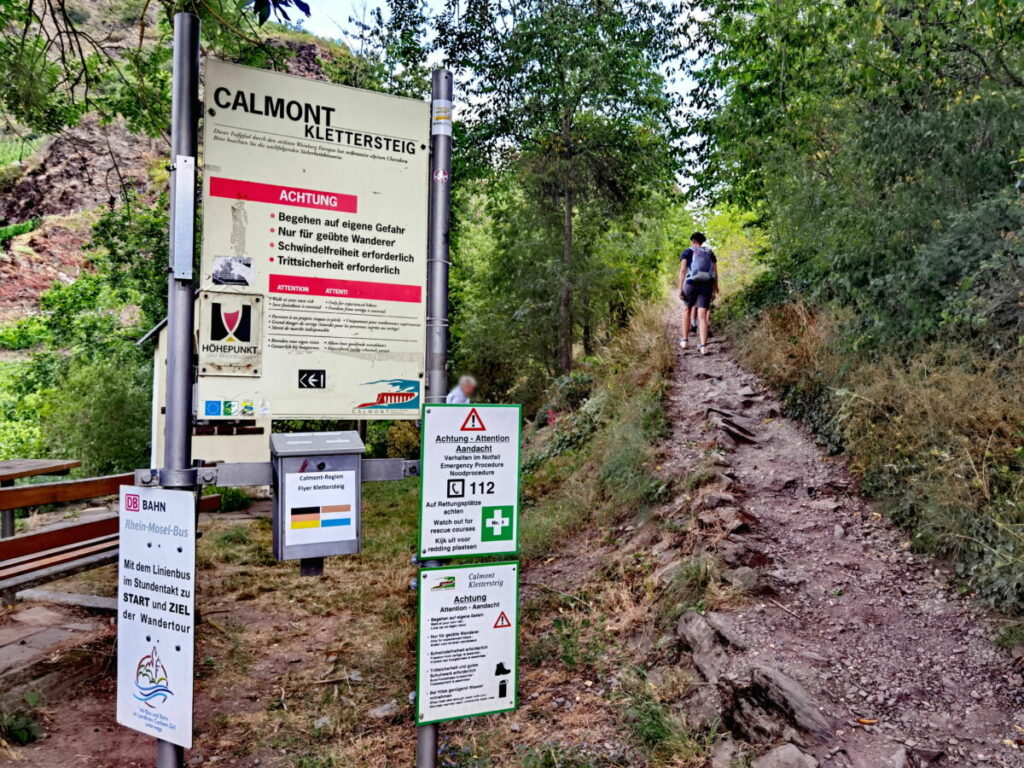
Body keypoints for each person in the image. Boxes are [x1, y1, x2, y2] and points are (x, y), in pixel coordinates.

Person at [678, 231, 718, 356]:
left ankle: (685, 341)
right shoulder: (710, 253)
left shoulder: (687, 251)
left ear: (693, 240)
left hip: (691, 283)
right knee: (702, 316)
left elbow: (683, 271)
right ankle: (703, 347)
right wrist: (715, 287)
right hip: (706, 285)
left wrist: (680, 289)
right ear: (702, 241)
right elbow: (715, 271)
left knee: (687, 310)